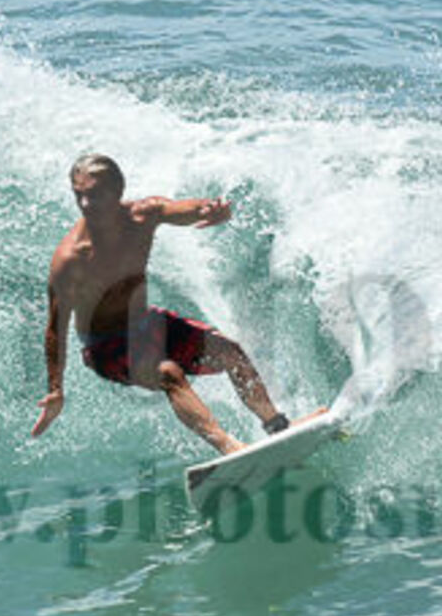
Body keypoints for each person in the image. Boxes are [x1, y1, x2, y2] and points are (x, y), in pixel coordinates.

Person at [31, 153, 290, 454]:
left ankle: (277, 427)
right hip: (106, 346)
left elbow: (179, 209)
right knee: (169, 372)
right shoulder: (71, 259)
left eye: (95, 195)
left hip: (147, 323)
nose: (86, 204)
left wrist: (208, 209)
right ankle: (230, 447)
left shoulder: (142, 217)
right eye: (79, 195)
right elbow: (55, 328)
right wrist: (56, 390)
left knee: (231, 352)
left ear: (117, 191)